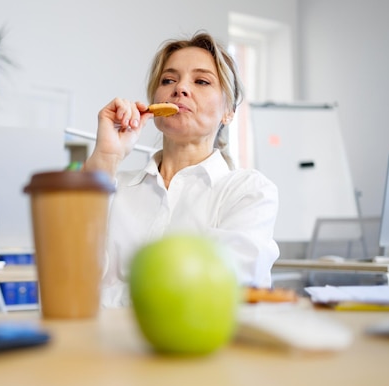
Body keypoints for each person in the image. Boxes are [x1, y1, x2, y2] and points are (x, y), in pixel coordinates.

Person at [83, 30, 280, 307]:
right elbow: (66, 276)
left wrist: (108, 296)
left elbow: (222, 294)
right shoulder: (113, 186)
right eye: (168, 80)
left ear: (229, 111)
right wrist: (106, 156)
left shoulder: (248, 192)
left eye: (201, 81)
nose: (180, 89)